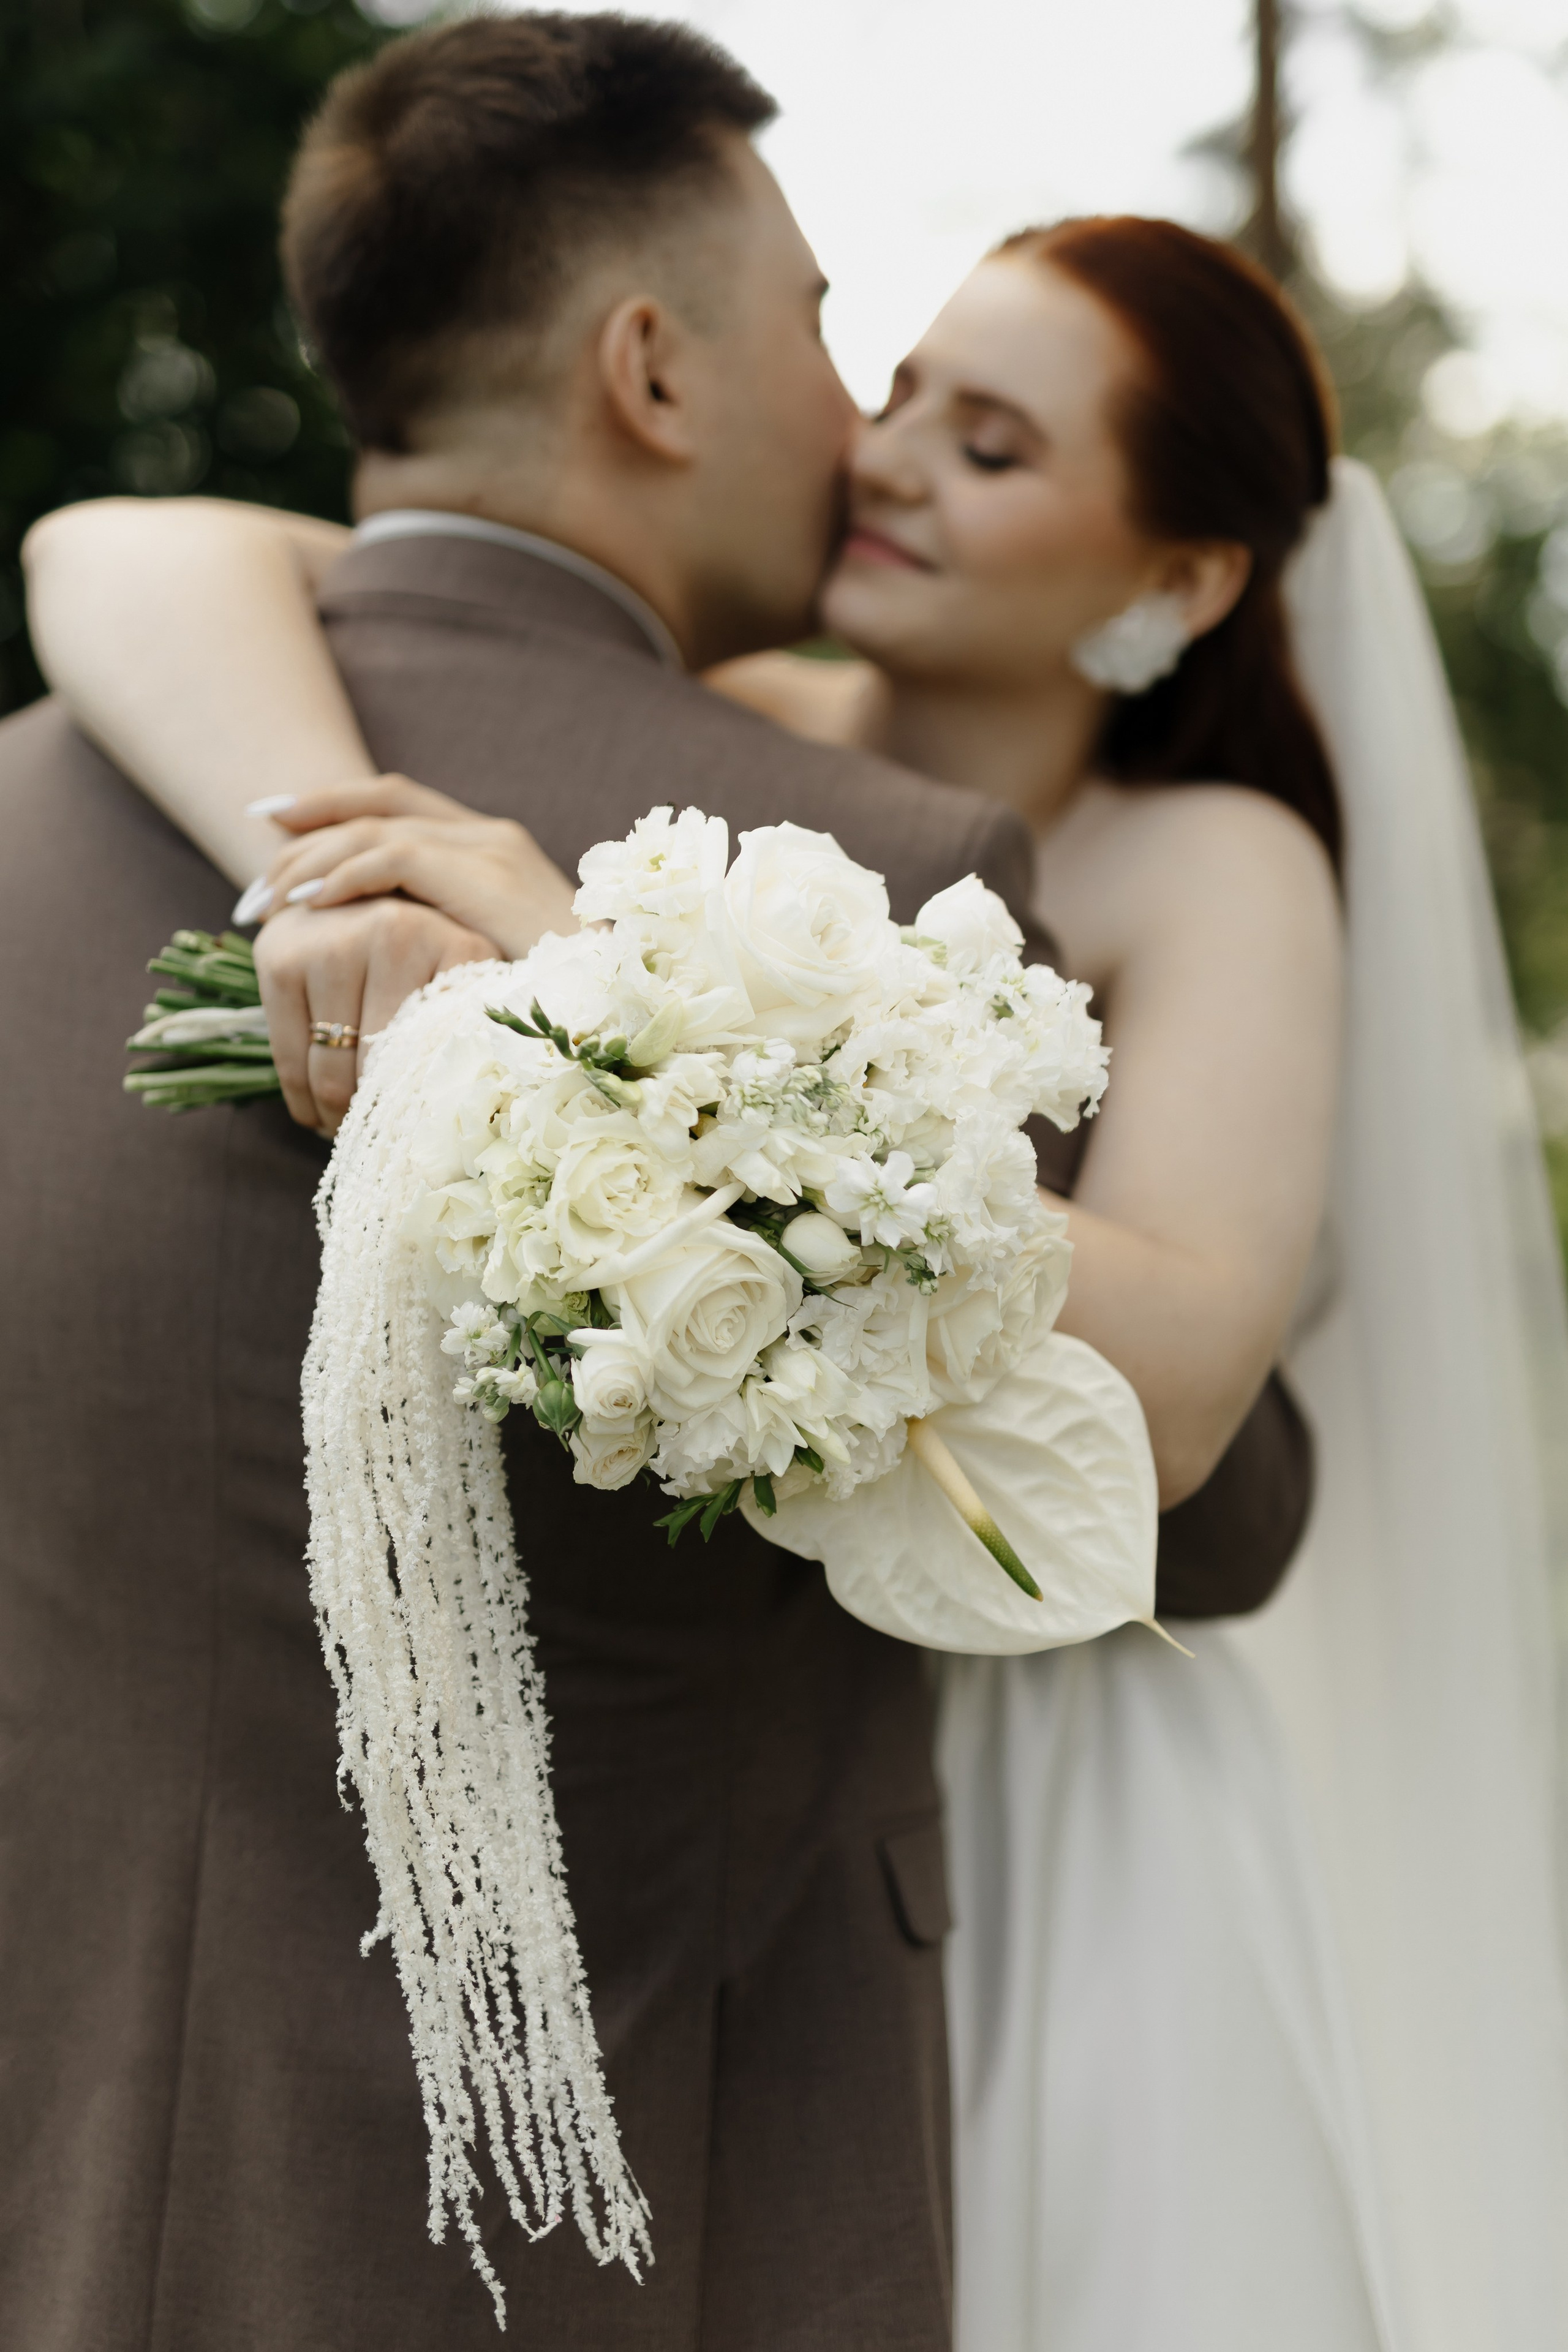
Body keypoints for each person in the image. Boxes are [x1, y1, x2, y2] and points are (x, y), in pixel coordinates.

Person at [35, 200, 1568, 2351]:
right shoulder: (736, 711)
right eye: (909, 385)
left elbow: (1198, 1374)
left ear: (1178, 582)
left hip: (1045, 1771)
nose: (895, 451)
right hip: (755, 1757)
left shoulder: (1206, 857)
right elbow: (110, 546)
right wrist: (320, 861)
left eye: (997, 444)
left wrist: (595, 983)